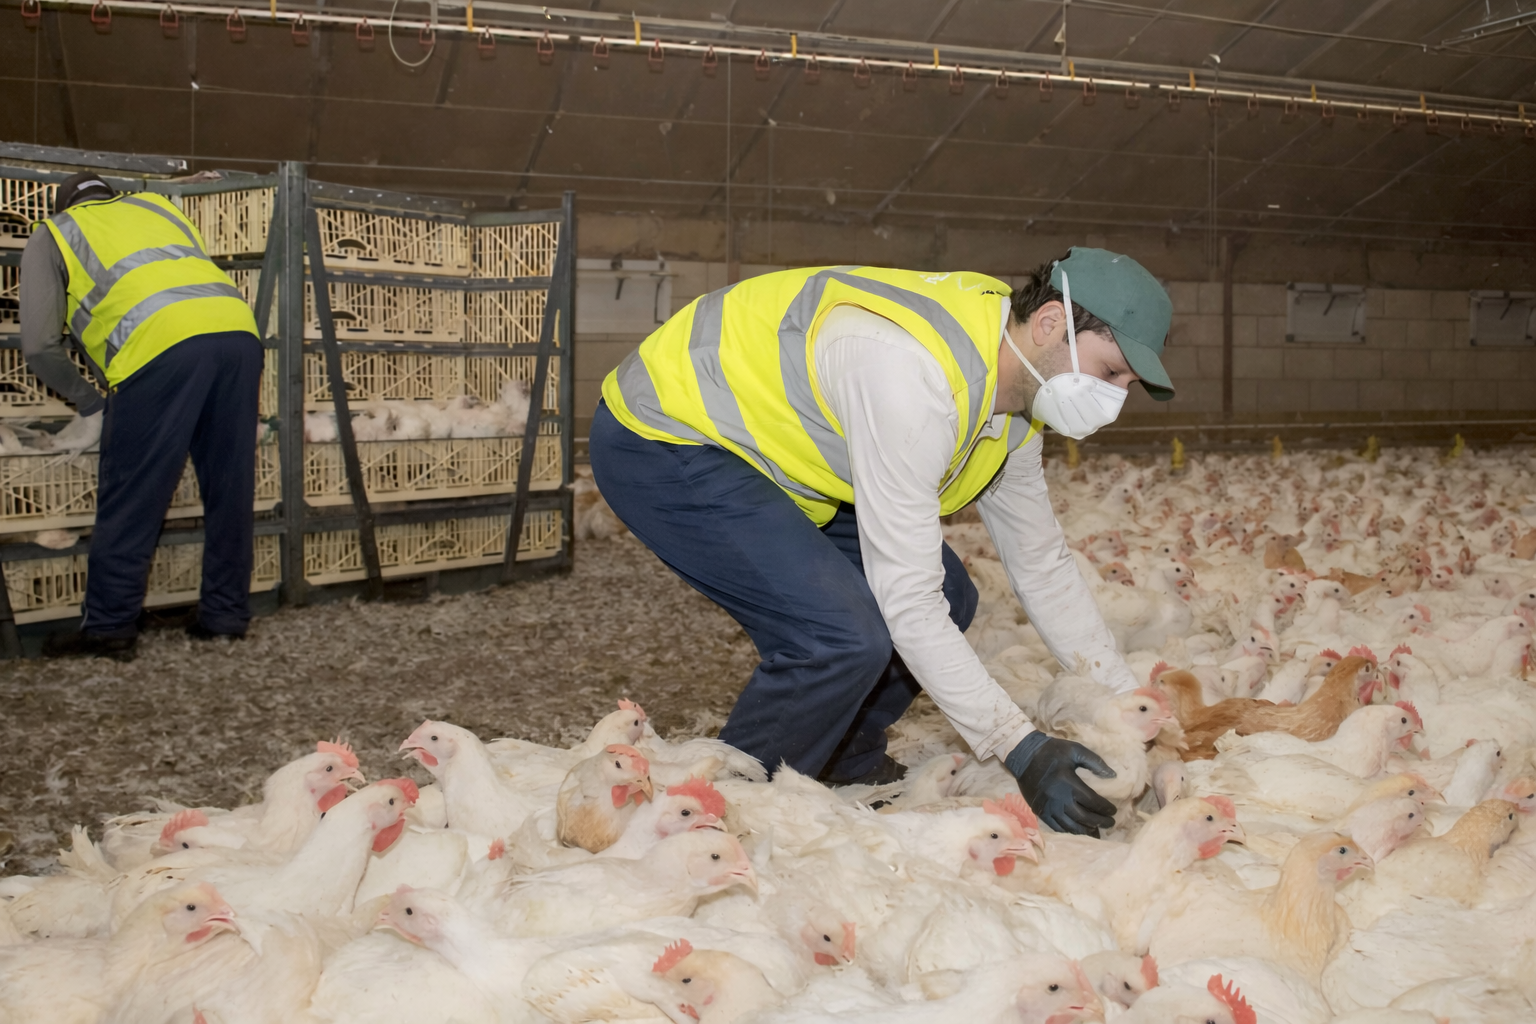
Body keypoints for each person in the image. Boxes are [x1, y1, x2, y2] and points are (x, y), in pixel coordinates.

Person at [589, 248, 1175, 836]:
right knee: (839, 636)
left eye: (1126, 384)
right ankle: (721, 811)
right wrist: (1018, 747)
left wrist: (1124, 709)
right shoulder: (910, 376)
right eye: (1109, 372)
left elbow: (1041, 565)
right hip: (668, 433)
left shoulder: (1016, 407)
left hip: (777, 462)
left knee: (952, 593)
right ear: (1049, 323)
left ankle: (843, 756)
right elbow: (908, 606)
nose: (1116, 399)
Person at [20, 171, 265, 661]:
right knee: (229, 482)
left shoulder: (56, 232)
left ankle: (110, 628)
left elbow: (40, 345)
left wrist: (89, 402)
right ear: (111, 195)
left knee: (132, 489)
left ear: (63, 204)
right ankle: (224, 616)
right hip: (238, 335)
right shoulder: (157, 208)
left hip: (158, 348)